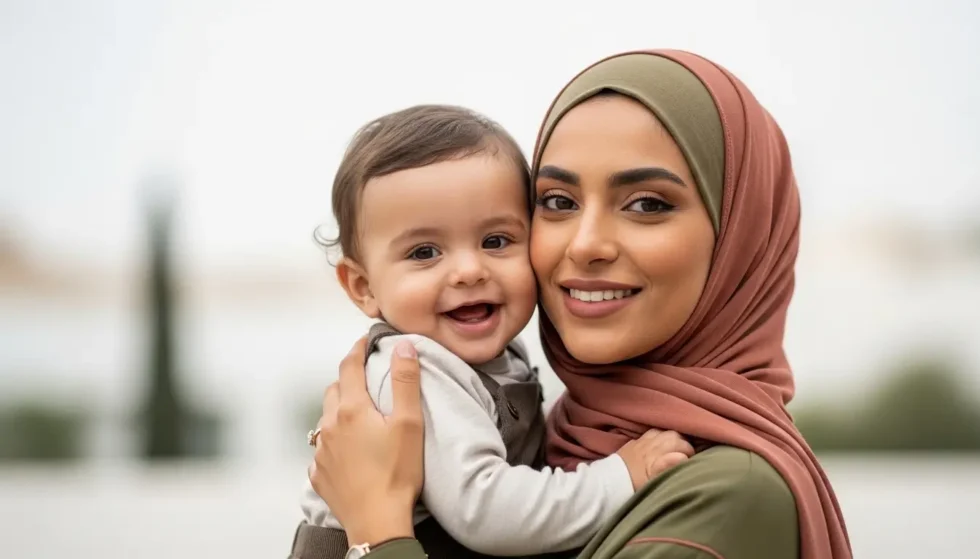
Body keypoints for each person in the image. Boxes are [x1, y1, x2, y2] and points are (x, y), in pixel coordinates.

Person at [303, 49, 854, 559]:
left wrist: (375, 530)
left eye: (646, 204)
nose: (586, 244)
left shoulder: (730, 494)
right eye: (559, 201)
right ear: (360, 284)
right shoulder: (574, 435)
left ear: (742, 233)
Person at [295, 104, 694, 558]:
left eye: (496, 241)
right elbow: (488, 511)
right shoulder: (417, 369)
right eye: (425, 252)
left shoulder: (498, 355)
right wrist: (620, 476)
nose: (468, 270)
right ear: (364, 287)